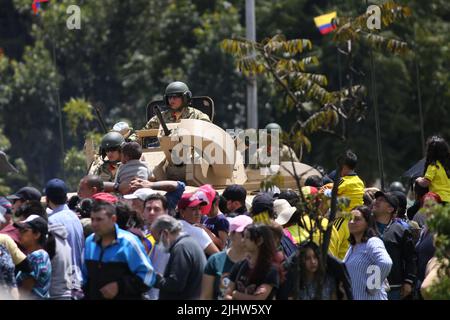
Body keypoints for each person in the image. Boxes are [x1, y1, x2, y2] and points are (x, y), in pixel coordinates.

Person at [83, 201, 156, 300]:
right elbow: (84, 277)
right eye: (92, 219)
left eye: (99, 219)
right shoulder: (89, 242)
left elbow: (148, 276)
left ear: (113, 219)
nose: (94, 224)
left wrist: (119, 286)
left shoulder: (129, 242)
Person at [372, 191, 417, 300]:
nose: (377, 201)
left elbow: (411, 258)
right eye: (377, 199)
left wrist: (408, 282)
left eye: (382, 200)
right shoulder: (366, 227)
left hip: (393, 289)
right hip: (370, 285)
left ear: (390, 209)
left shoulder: (401, 230)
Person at [151, 215, 207, 300]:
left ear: (165, 233)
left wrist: (155, 279)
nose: (157, 244)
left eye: (157, 240)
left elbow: (175, 285)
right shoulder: (186, 243)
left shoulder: (181, 247)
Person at [44, 178, 84, 296]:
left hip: (62, 284)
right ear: (66, 197)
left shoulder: (52, 221)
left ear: (47, 199)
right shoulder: (75, 217)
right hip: (78, 280)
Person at [344, 206, 392, 300]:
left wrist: (373, 286)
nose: (352, 222)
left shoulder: (372, 242)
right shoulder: (352, 247)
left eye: (357, 219)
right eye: (350, 219)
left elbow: (385, 263)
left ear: (367, 223)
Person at [200, 215, 252, 300]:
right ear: (231, 234)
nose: (247, 237)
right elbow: (206, 296)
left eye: (251, 234)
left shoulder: (255, 262)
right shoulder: (215, 261)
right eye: (243, 233)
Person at [224, 224, 280, 300]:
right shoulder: (239, 266)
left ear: (259, 241)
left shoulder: (270, 270)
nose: (243, 240)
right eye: (243, 236)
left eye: (247, 237)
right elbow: (227, 295)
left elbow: (258, 299)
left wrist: (236, 294)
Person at [143, 81, 211, 130]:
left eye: (175, 97)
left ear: (185, 98)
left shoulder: (197, 116)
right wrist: (133, 139)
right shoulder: (160, 118)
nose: (172, 100)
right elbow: (142, 134)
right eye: (169, 97)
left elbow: (210, 132)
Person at [14, 215, 52, 300]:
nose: (19, 234)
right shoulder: (40, 255)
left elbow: (23, 293)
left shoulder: (37, 257)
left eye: (24, 231)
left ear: (37, 234)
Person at [177, 193, 220, 257]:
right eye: (193, 209)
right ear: (182, 212)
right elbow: (218, 257)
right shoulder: (197, 231)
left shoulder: (173, 226)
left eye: (199, 208)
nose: (198, 213)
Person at [416, 135, 450, 204]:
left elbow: (425, 183)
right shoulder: (447, 166)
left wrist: (418, 179)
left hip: (438, 200)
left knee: (413, 212)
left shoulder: (433, 166)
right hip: (448, 200)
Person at [196, 185, 229, 250]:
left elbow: (223, 245)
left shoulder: (221, 220)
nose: (206, 211)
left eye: (208, 207)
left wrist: (206, 231)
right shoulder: (206, 218)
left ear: (216, 203)